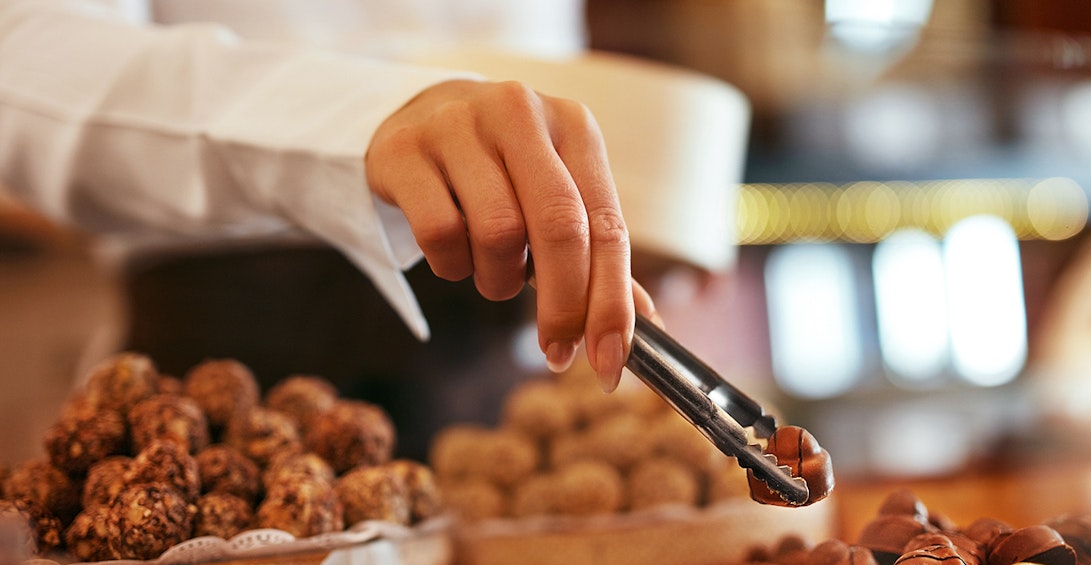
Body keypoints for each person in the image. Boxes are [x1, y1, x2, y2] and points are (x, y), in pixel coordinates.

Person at [0, 1, 750, 456]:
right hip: (222, 404)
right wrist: (360, 119)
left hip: (496, 398)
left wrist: (594, 215)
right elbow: (21, 51)